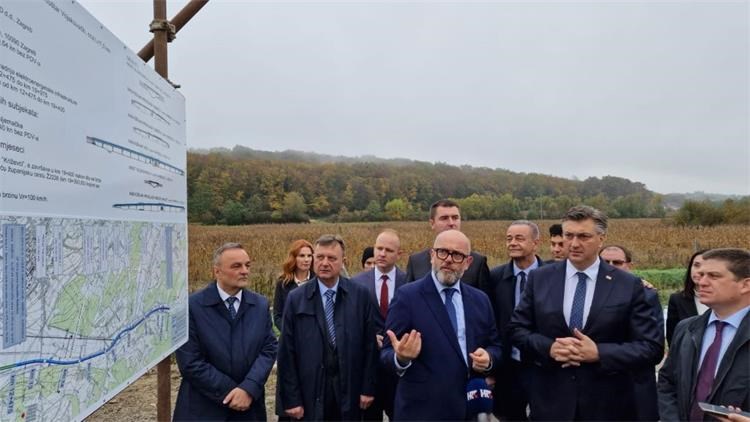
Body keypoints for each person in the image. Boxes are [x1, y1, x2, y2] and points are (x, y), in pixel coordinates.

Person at [508, 206, 663, 420]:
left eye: (583, 236)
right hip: (551, 404)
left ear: (601, 239)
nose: (573, 243)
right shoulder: (540, 279)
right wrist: (549, 348)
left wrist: (599, 352)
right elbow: (516, 329)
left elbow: (651, 348)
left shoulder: (628, 285)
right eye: (568, 235)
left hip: (608, 406)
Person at [382, 229, 502, 421]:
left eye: (457, 255)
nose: (448, 259)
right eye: (442, 252)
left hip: (468, 409)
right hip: (422, 411)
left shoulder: (480, 300)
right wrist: (401, 358)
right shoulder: (407, 297)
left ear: (468, 262)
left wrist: (489, 359)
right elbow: (386, 353)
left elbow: (495, 345)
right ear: (432, 255)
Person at [276, 234, 378, 421]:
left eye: (331, 258)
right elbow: (286, 353)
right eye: (320, 257)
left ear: (343, 261)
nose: (324, 263)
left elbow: (370, 346)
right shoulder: (297, 298)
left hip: (350, 389)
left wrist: (368, 388)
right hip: (311, 390)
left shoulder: (360, 296)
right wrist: (291, 399)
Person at [174, 243, 278, 421]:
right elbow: (190, 361)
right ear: (217, 271)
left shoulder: (260, 305)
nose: (244, 271)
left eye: (247, 265)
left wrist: (248, 388)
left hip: (249, 409)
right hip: (203, 409)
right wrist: (232, 392)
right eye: (236, 266)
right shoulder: (191, 307)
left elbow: (268, 349)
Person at [657, 248, 750, 421]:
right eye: (701, 275)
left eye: (714, 276)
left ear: (745, 285)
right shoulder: (686, 328)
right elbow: (667, 381)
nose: (701, 282)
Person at [486, 220, 545, 421]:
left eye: (519, 238)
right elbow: (490, 321)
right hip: (509, 365)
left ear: (536, 243)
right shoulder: (495, 277)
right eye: (509, 238)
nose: (512, 243)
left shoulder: (551, 276)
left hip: (542, 364)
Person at [599, 244, 663, 421]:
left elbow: (653, 348)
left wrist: (600, 352)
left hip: (634, 386)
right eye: (605, 262)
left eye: (617, 262)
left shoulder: (647, 295)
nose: (611, 266)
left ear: (629, 265)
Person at [351, 229, 407, 420]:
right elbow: (349, 322)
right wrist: (368, 336)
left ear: (399, 254)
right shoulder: (356, 283)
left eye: (388, 250)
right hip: (368, 369)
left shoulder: (409, 282)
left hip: (398, 369)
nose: (382, 254)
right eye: (379, 248)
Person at [405, 199, 490, 290]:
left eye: (455, 218)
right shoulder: (416, 262)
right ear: (432, 223)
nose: (451, 223)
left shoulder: (478, 263)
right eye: (444, 218)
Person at [666, 250, 709, 345]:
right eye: (696, 265)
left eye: (706, 266)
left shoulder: (727, 300)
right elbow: (673, 338)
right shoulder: (677, 299)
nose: (699, 271)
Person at [273, 239, 314, 331]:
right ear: (294, 258)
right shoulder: (283, 283)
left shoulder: (319, 281)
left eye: (309, 256)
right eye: (302, 256)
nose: (306, 260)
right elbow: (277, 316)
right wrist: (289, 332)